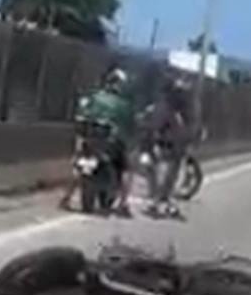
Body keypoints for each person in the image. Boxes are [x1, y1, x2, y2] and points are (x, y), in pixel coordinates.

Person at [59, 66, 136, 214]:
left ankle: (66, 197)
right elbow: (130, 128)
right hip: (113, 145)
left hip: (91, 141)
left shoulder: (94, 97)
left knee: (79, 165)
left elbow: (82, 114)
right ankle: (124, 204)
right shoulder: (124, 105)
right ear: (119, 85)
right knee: (127, 168)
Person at [143, 75, 191, 217]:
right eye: (179, 93)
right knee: (164, 177)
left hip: (174, 148)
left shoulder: (177, 111)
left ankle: (165, 204)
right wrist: (155, 142)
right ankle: (157, 204)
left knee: (169, 178)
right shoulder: (167, 108)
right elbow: (157, 126)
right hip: (166, 146)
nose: (182, 97)